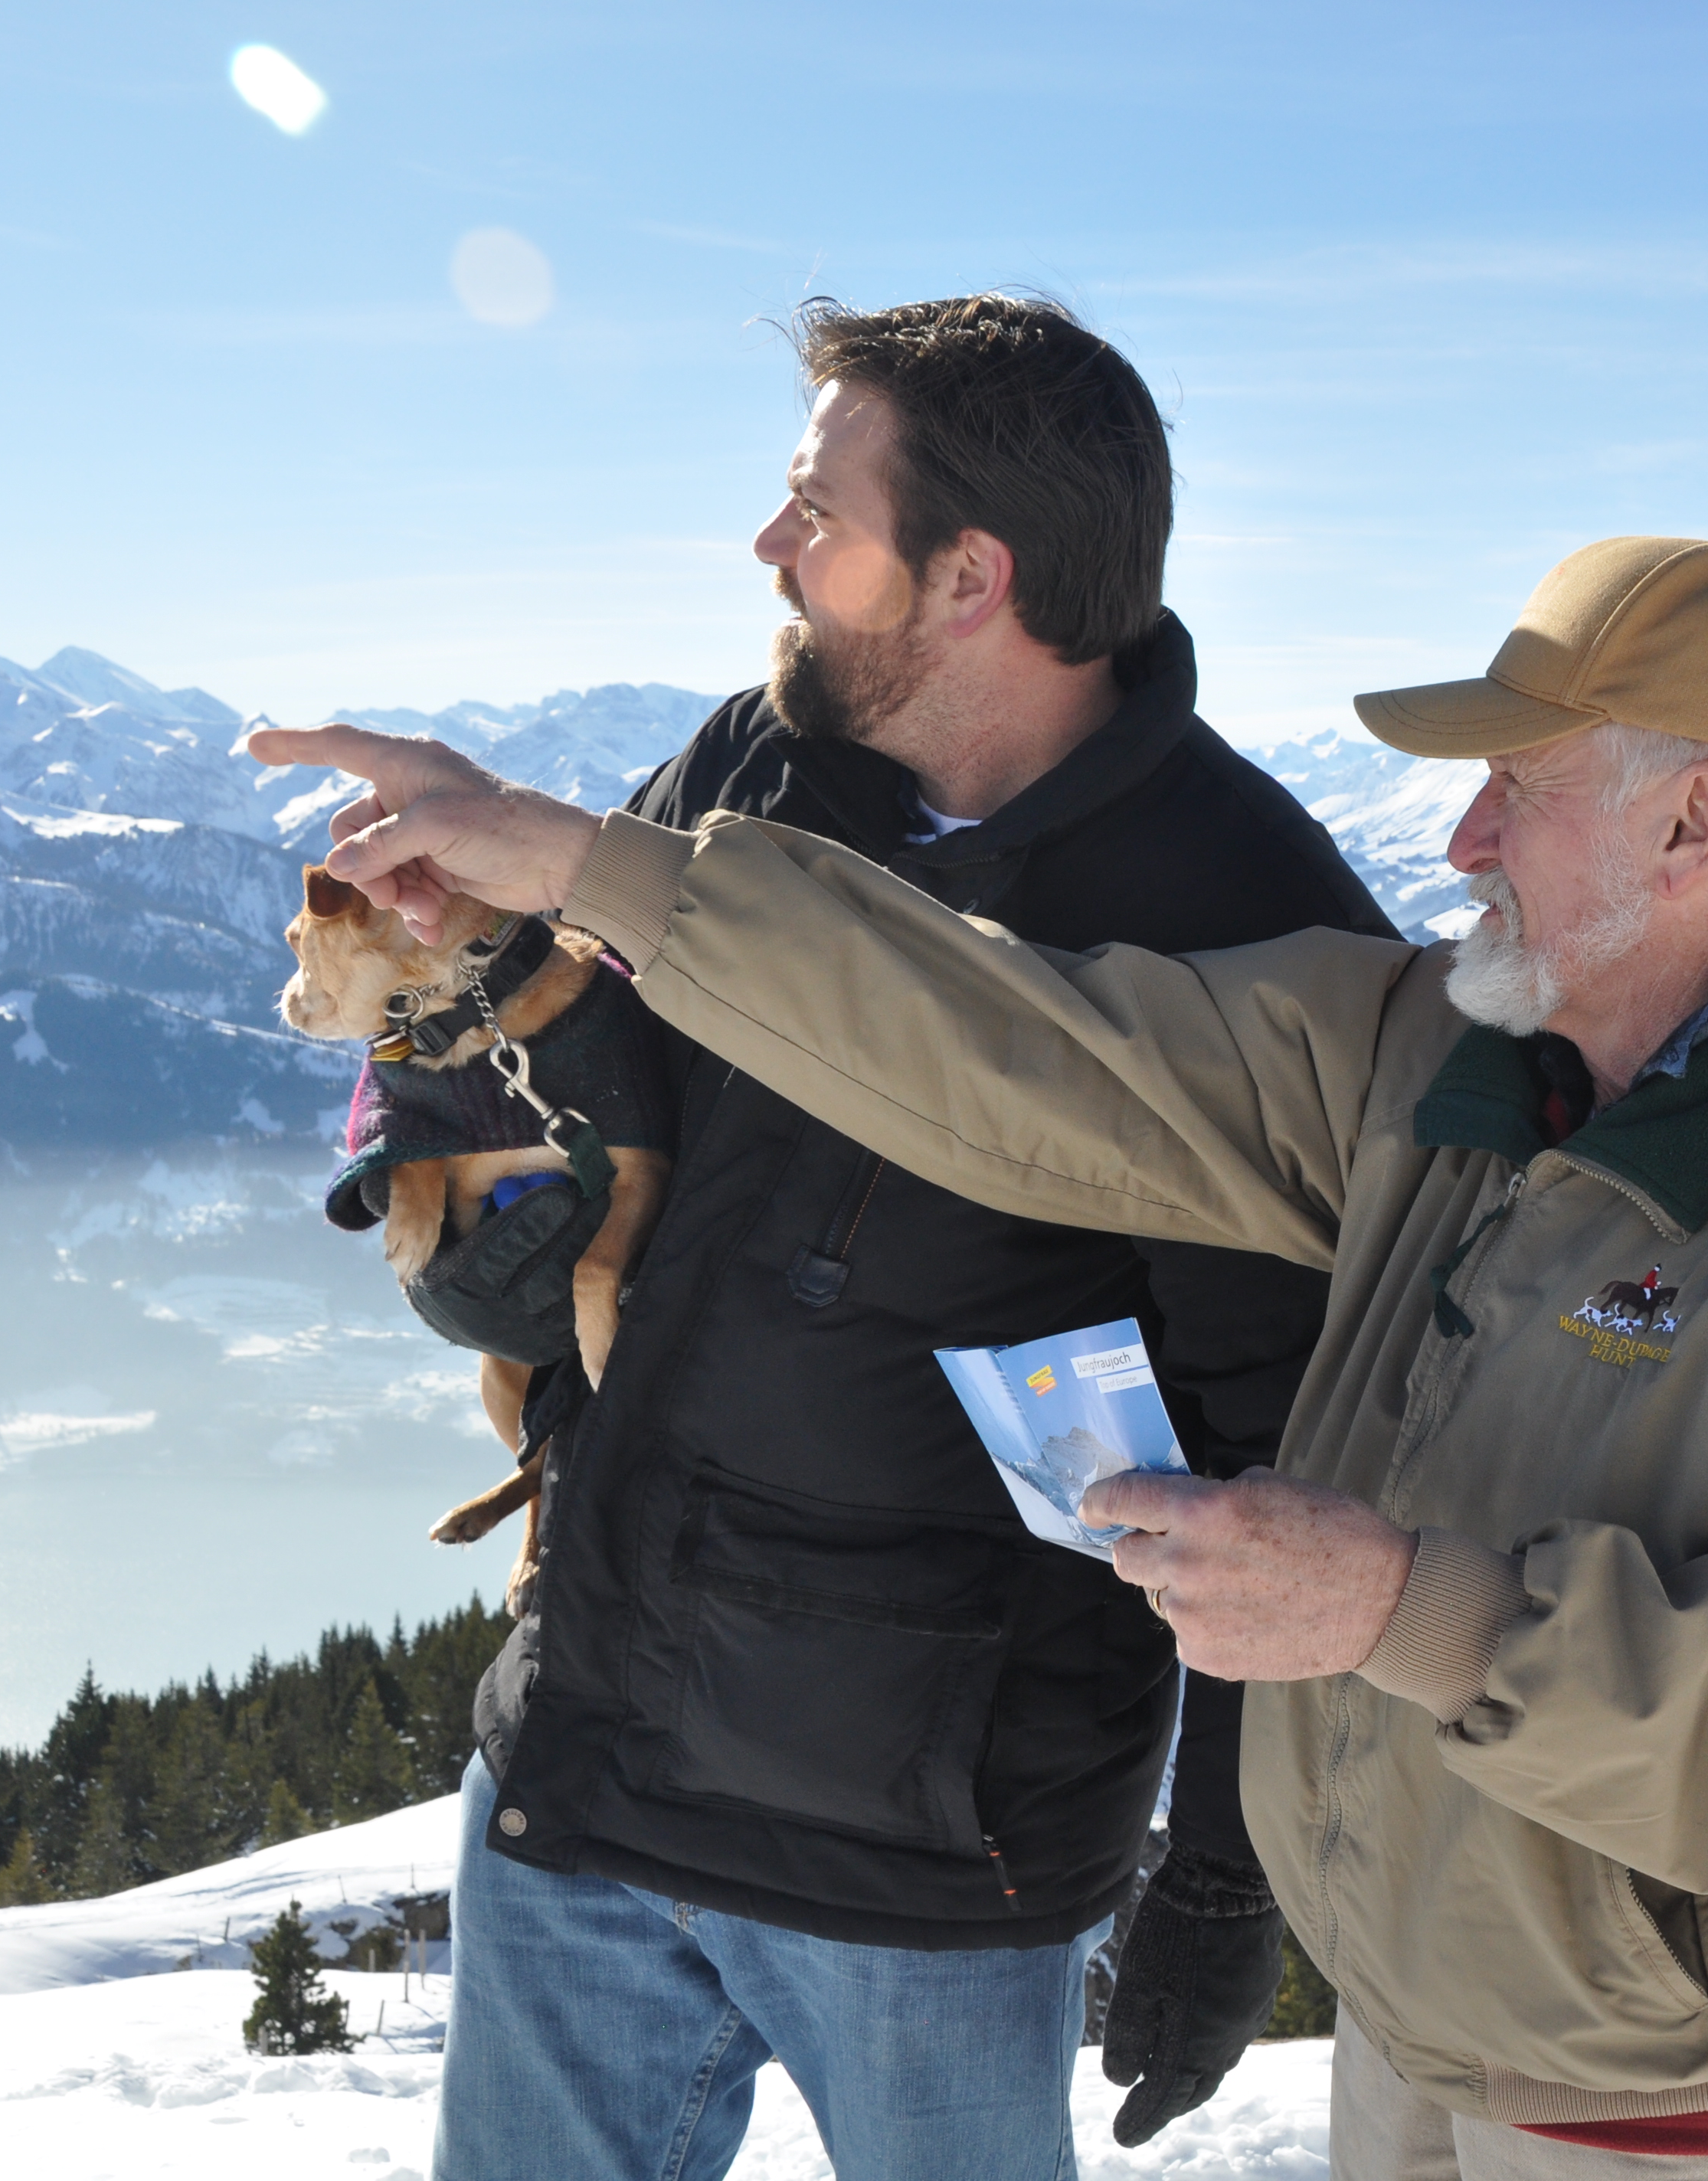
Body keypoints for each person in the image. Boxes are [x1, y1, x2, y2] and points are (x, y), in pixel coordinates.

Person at [261, 534, 1708, 2181]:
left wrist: (1413, 1606)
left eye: (1513, 789)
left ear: (1695, 821)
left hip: (1701, 2103)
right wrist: (584, 868)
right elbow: (1018, 1051)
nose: (1459, 836)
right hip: (1424, 2020)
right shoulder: (1437, 1048)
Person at [371, 293, 1396, 2181]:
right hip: (589, 1755)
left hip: (928, 1852)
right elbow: (590, 1091)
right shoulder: (752, 769)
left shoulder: (1243, 923)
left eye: (811, 508)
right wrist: (445, 1125)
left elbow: (1293, 1453)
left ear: (968, 579)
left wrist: (1229, 1876)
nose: (769, 549)